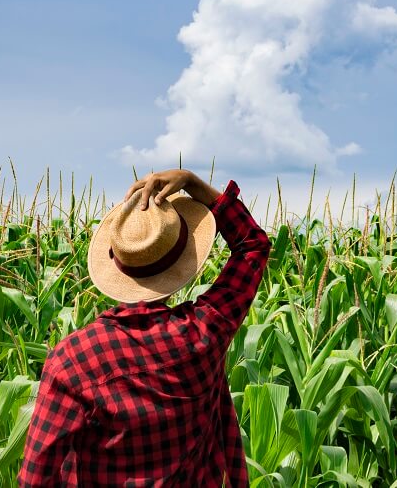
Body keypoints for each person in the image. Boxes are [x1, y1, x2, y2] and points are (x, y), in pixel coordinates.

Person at [17, 169, 270, 486]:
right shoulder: (205, 333)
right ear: (181, 262)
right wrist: (192, 183)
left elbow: (35, 478)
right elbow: (252, 245)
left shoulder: (73, 361)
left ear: (115, 262)